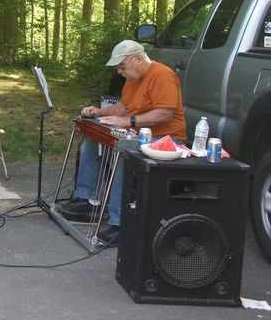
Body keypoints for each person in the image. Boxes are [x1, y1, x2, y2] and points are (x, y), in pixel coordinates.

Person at [60, 39, 186, 243]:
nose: (119, 71)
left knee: (124, 157)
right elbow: (123, 107)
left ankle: (119, 224)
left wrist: (128, 122)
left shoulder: (162, 75)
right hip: (140, 134)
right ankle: (87, 199)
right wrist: (99, 112)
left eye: (122, 66)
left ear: (138, 59)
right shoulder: (133, 79)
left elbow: (164, 114)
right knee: (91, 144)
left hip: (166, 139)